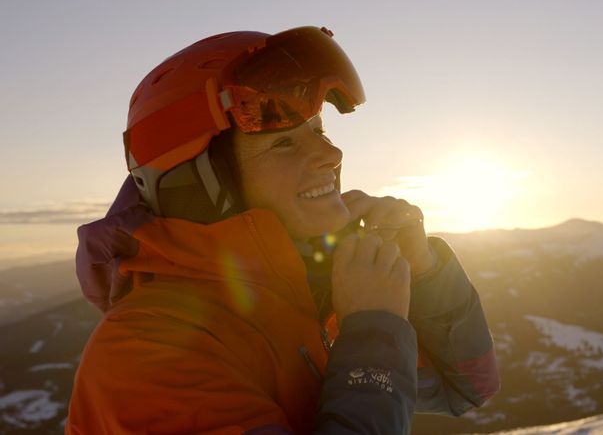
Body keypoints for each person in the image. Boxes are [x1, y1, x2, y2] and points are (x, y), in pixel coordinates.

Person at [66, 26, 499, 434]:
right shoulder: (144, 355)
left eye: (319, 130)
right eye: (284, 142)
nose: (332, 153)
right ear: (200, 186)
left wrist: (424, 272)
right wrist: (373, 327)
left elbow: (467, 387)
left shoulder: (310, 291)